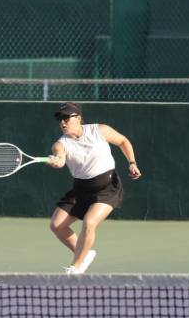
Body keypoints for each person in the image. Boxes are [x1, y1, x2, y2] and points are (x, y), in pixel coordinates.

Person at [46, 102, 141, 275]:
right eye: (60, 119)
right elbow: (60, 158)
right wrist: (57, 161)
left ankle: (76, 267)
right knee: (56, 225)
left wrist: (132, 163)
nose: (63, 122)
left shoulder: (99, 130)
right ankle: (84, 253)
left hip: (107, 187)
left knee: (89, 222)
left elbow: (122, 141)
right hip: (81, 189)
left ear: (79, 118)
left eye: (67, 117)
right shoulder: (60, 144)